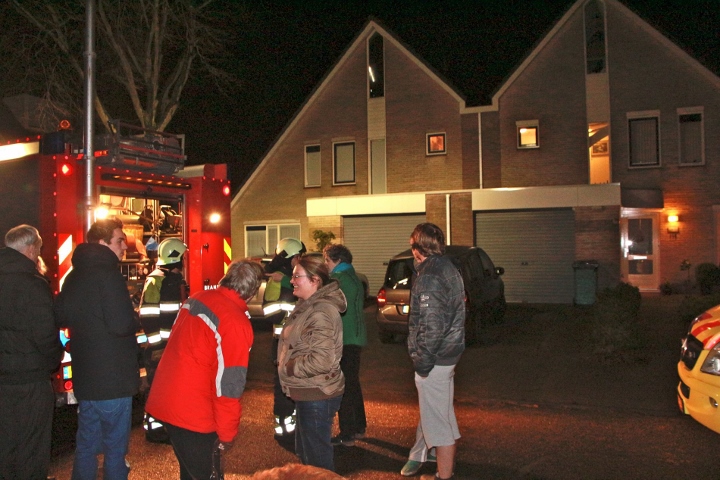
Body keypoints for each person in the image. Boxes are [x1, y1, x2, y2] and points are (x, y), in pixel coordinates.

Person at [145, 260, 263, 480]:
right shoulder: (234, 322)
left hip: (167, 400)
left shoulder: (197, 298)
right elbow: (228, 385)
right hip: (194, 413)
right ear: (252, 291)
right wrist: (227, 433)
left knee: (190, 473)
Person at [54, 219, 141, 480]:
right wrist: (134, 319)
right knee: (115, 449)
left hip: (86, 377)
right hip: (113, 378)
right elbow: (120, 323)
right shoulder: (109, 274)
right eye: (119, 240)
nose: (125, 245)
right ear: (102, 243)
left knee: (86, 446)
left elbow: (60, 316)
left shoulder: (73, 275)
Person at [401, 223, 465, 480]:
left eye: (411, 244)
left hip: (436, 360)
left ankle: (443, 476)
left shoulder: (429, 276)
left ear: (417, 247)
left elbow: (432, 325)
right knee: (442, 415)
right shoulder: (446, 267)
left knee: (438, 423)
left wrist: (422, 364)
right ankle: (441, 470)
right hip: (448, 355)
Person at [0, 225, 63, 479]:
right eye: (39, 247)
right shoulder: (32, 284)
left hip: (4, 379)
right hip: (30, 379)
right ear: (29, 248)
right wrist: (53, 360)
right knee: (32, 448)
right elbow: (45, 334)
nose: (40, 251)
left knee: (6, 443)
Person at [277, 254, 346, 472]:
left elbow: (322, 360)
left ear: (315, 280)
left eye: (297, 276)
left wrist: (289, 366)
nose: (292, 280)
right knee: (307, 459)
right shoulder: (307, 304)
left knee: (318, 466)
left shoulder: (321, 311)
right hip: (307, 391)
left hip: (316, 394)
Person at [138, 237, 189, 443]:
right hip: (161, 348)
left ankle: (167, 425)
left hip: (174, 346)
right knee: (157, 389)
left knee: (170, 388)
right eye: (183, 257)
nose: (185, 261)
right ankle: (154, 429)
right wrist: (157, 345)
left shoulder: (176, 281)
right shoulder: (156, 279)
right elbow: (147, 314)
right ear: (176, 258)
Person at [323, 244, 367, 447]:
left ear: (338, 260)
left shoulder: (338, 281)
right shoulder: (355, 278)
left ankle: (347, 432)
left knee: (344, 387)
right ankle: (358, 426)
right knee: (353, 384)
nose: (326, 265)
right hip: (356, 338)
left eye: (327, 260)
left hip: (344, 339)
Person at [262, 237, 307, 438]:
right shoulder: (277, 280)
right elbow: (270, 312)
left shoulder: (291, 278)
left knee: (297, 382)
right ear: (290, 257)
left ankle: (294, 422)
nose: (301, 259)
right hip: (282, 343)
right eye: (298, 256)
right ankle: (283, 427)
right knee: (283, 385)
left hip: (297, 342)